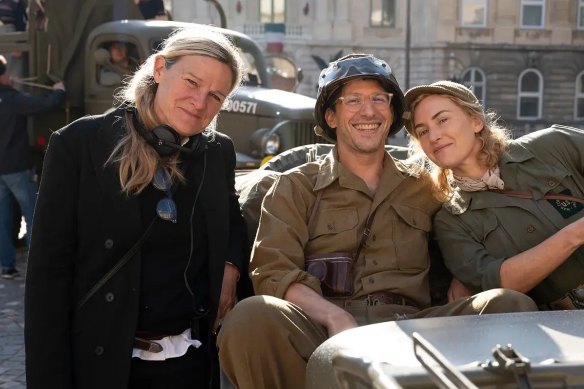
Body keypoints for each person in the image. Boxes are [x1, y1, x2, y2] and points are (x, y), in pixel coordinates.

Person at [217, 54, 538, 389]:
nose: (367, 112)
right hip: (321, 331)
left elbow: (469, 230)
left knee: (509, 304)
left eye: (378, 100)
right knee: (252, 315)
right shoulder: (295, 187)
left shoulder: (427, 187)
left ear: (391, 113)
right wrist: (333, 316)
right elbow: (273, 271)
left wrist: (464, 276)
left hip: (412, 328)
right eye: (353, 100)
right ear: (331, 116)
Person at [25, 26, 246, 389]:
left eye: (215, 96)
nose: (200, 102)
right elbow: (47, 280)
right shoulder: (79, 145)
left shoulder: (215, 152)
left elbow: (231, 217)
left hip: (189, 367)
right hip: (106, 367)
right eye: (191, 82)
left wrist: (230, 265)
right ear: (159, 69)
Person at [403, 80, 584, 310]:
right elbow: (498, 283)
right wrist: (575, 234)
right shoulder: (451, 221)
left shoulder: (553, 146)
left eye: (442, 120)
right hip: (560, 322)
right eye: (423, 131)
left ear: (476, 121)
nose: (434, 136)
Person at [0, 54, 65, 279]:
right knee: (32, 216)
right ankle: (36, 267)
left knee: (2, 219)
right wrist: (59, 90)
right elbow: (45, 104)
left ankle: (7, 267)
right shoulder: (12, 99)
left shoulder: (11, 96)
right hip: (17, 167)